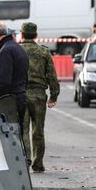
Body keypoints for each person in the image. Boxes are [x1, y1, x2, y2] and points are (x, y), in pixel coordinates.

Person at [20, 22, 59, 173]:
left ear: (22, 34)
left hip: (20, 93)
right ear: (35, 35)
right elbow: (52, 76)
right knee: (38, 130)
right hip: (38, 95)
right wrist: (54, 96)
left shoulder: (17, 50)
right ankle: (38, 163)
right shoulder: (43, 52)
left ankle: (25, 158)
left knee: (22, 129)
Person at [0, 21, 29, 120]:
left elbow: (3, 82)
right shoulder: (17, 47)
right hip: (19, 98)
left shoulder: (5, 51)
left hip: (9, 102)